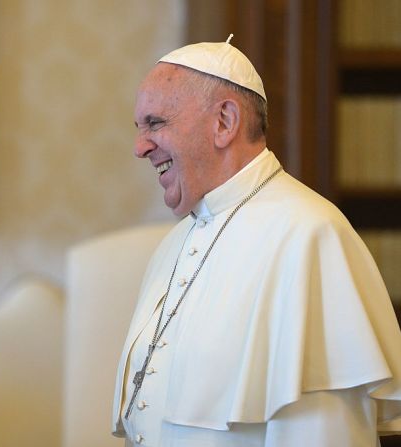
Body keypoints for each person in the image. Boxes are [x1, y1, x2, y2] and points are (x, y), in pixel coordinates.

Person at [111, 36, 401, 446]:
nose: (140, 146)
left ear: (224, 122)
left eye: (156, 123)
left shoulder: (310, 236)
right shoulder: (174, 245)